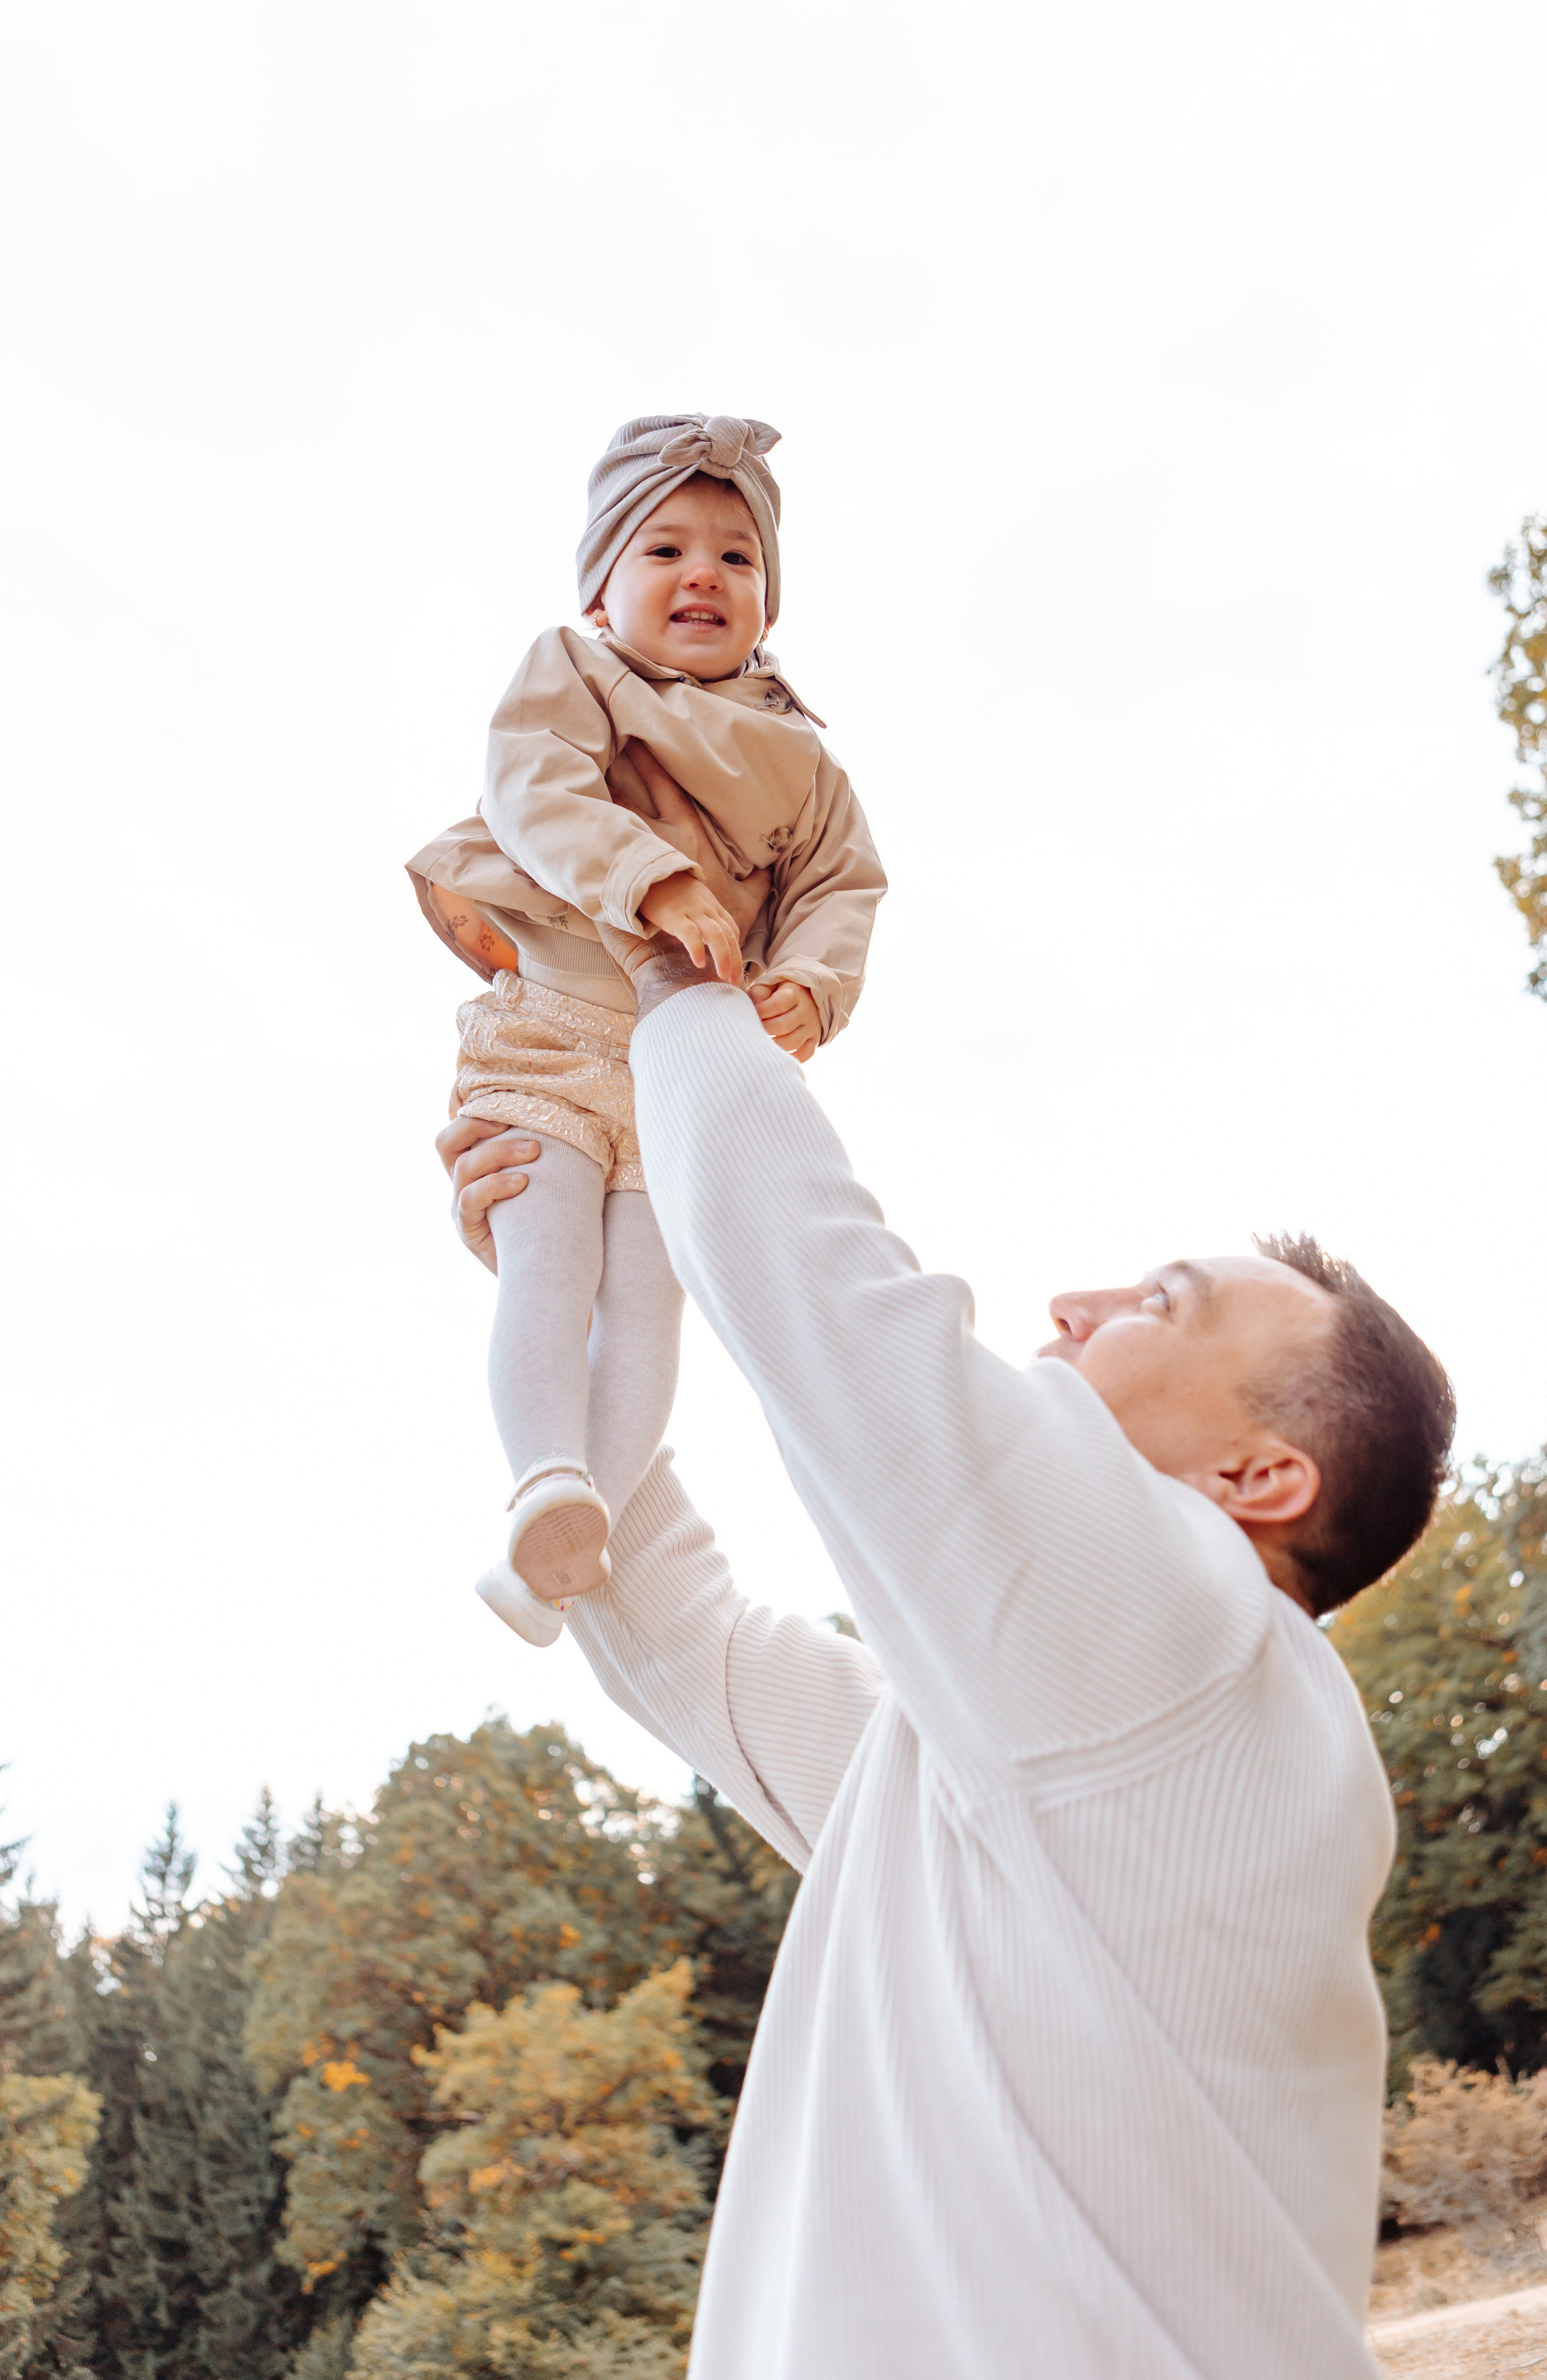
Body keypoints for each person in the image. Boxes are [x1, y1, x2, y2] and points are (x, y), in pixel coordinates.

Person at [434, 900, 1454, 2377]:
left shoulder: (1196, 1630)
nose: (1077, 1302)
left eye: (1157, 1304)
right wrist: (578, 1263)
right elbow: (678, 1635)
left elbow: (824, 1296)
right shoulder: (1065, 1756)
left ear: (1256, 1483)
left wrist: (666, 946)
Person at [406, 412, 884, 1642]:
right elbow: (536, 786)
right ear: (602, 585)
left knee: (650, 1300)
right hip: (557, 1025)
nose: (702, 577)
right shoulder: (573, 673)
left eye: (736, 559)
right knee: (549, 1263)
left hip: (685, 1068)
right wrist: (653, 878)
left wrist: (809, 985)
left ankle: (571, 1537)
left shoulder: (803, 762)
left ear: (767, 603)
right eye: (664, 549)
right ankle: (544, 1475)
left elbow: (840, 887)